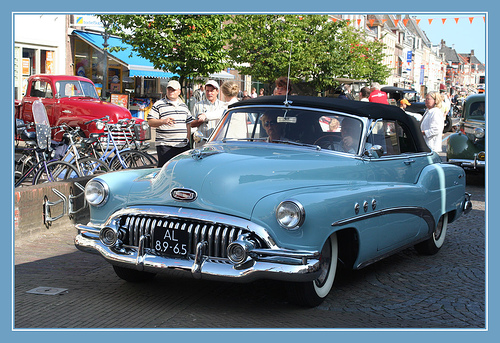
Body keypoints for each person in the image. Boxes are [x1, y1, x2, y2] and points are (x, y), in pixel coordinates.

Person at [147, 80, 193, 167]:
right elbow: (150, 122)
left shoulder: (183, 106)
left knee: (182, 170)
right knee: (165, 170)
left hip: (182, 145)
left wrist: (187, 140)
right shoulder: (159, 104)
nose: (171, 92)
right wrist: (163, 121)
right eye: (169, 89)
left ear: (179, 91)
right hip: (165, 146)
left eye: (173, 90)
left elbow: (188, 124)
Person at [191, 80, 226, 146]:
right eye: (207, 91)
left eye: (212, 91)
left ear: (217, 91)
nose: (209, 93)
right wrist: (200, 121)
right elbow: (191, 124)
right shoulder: (198, 105)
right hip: (202, 142)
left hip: (218, 142)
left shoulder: (223, 106)